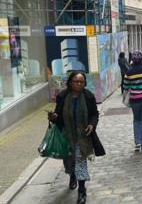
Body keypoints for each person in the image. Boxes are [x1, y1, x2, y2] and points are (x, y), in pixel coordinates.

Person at [48, 71, 101, 204]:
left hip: (83, 136)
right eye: (76, 82)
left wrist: (92, 124)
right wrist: (53, 117)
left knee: (81, 161)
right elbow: (57, 115)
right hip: (66, 135)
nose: (79, 84)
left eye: (81, 82)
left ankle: (82, 191)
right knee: (69, 161)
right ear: (70, 82)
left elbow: (95, 114)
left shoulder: (88, 96)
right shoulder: (62, 96)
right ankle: (72, 174)